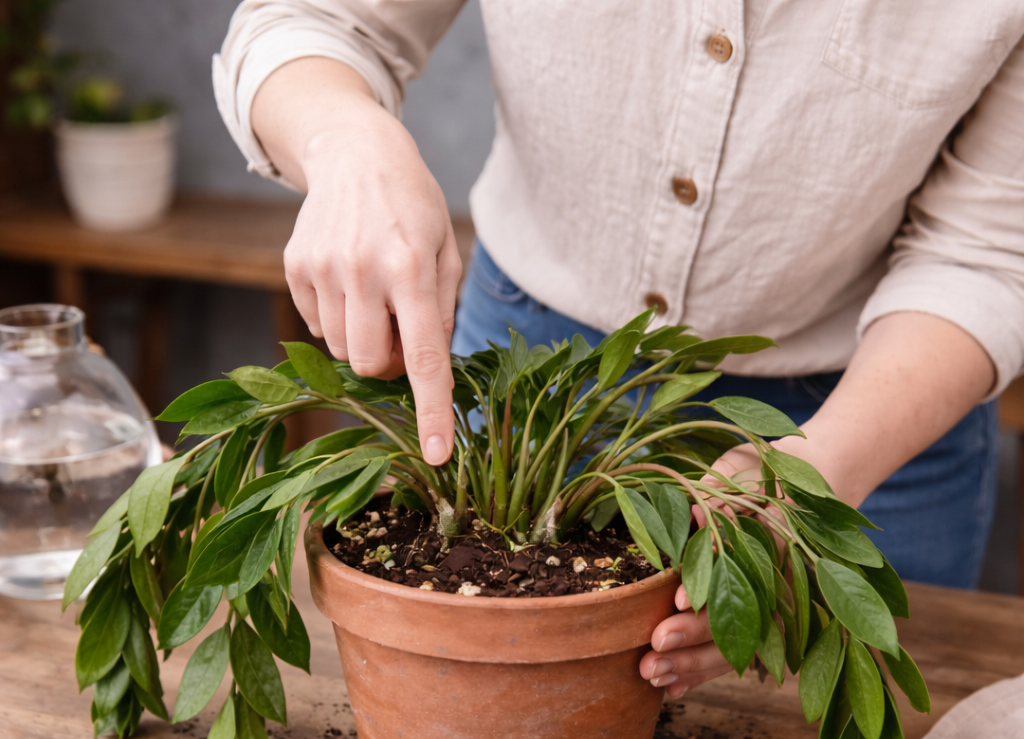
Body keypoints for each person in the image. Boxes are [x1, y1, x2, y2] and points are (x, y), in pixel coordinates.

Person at [214, 2, 1024, 699]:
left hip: (876, 401)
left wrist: (820, 472)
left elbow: (990, 254)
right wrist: (347, 143)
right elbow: (318, 19)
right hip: (530, 367)